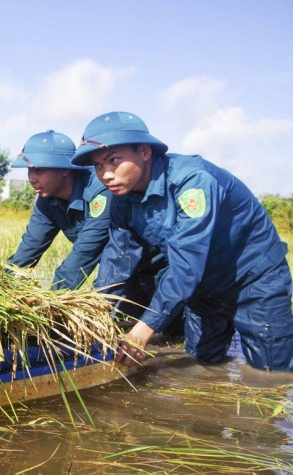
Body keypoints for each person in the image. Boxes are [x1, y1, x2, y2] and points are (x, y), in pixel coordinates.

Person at [71, 111, 293, 371]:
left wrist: (142, 332)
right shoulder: (122, 198)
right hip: (203, 289)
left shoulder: (192, 182)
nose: (105, 174)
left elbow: (186, 263)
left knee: (270, 375)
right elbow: (118, 259)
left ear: (144, 152)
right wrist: (93, 316)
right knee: (201, 364)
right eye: (98, 165)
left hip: (254, 281)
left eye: (114, 160)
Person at [6, 130, 111, 290]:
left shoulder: (100, 189)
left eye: (39, 170)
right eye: (29, 170)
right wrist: (4, 284)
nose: (32, 178)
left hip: (141, 265)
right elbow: (31, 245)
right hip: (113, 264)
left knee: (110, 304)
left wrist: (54, 301)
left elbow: (86, 251)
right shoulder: (47, 199)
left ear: (65, 169)